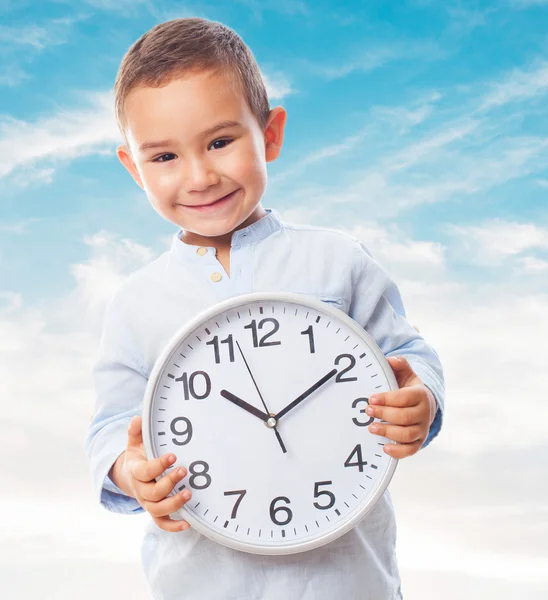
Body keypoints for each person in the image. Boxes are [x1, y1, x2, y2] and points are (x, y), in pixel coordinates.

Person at [85, 17, 445, 600]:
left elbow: (408, 354)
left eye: (220, 142)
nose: (199, 176)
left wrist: (421, 398)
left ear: (269, 134)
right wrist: (130, 472)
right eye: (165, 157)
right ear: (134, 167)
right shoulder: (136, 304)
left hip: (349, 584)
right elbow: (109, 428)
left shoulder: (337, 261)